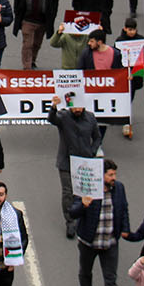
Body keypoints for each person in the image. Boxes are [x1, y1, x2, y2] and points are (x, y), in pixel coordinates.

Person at [69, 159, 129, 286]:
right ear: (101, 176)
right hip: (89, 242)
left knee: (110, 278)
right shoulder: (87, 189)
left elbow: (124, 209)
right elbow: (73, 212)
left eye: (115, 174)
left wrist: (125, 228)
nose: (114, 178)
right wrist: (83, 205)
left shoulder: (119, 189)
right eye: (110, 175)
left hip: (110, 242)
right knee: (85, 273)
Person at [48, 94, 102, 239]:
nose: (77, 109)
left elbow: (97, 137)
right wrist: (53, 107)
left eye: (80, 106)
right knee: (68, 191)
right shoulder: (64, 117)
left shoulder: (90, 118)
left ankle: (84, 217)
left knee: (84, 191)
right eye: (75, 106)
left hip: (85, 162)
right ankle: (70, 221)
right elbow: (52, 119)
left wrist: (92, 151)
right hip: (66, 162)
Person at [12, 0, 58, 70]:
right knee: (28, 44)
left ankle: (32, 60)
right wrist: (18, 13)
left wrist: (52, 16)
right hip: (27, 20)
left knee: (37, 43)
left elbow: (55, 1)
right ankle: (27, 66)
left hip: (42, 21)